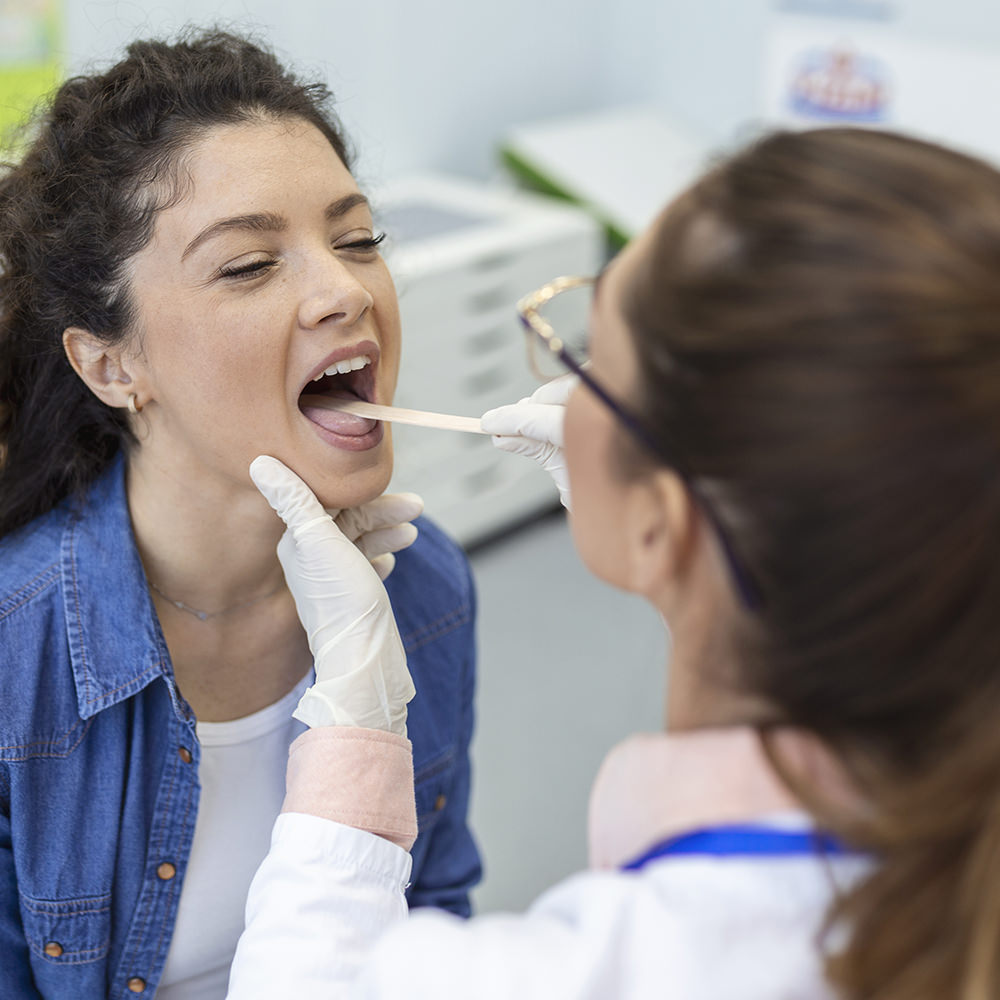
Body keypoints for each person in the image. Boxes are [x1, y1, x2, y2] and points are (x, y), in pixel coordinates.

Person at [227, 125, 1000, 1000]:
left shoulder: (648, 964)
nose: (343, 291)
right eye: (247, 263)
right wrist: (695, 565)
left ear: (661, 520)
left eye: (592, 365)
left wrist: (356, 724)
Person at [0, 29, 481, 1000]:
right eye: (250, 264)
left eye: (357, 240)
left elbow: (433, 915)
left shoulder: (420, 585)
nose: (346, 290)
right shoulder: (16, 650)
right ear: (110, 364)